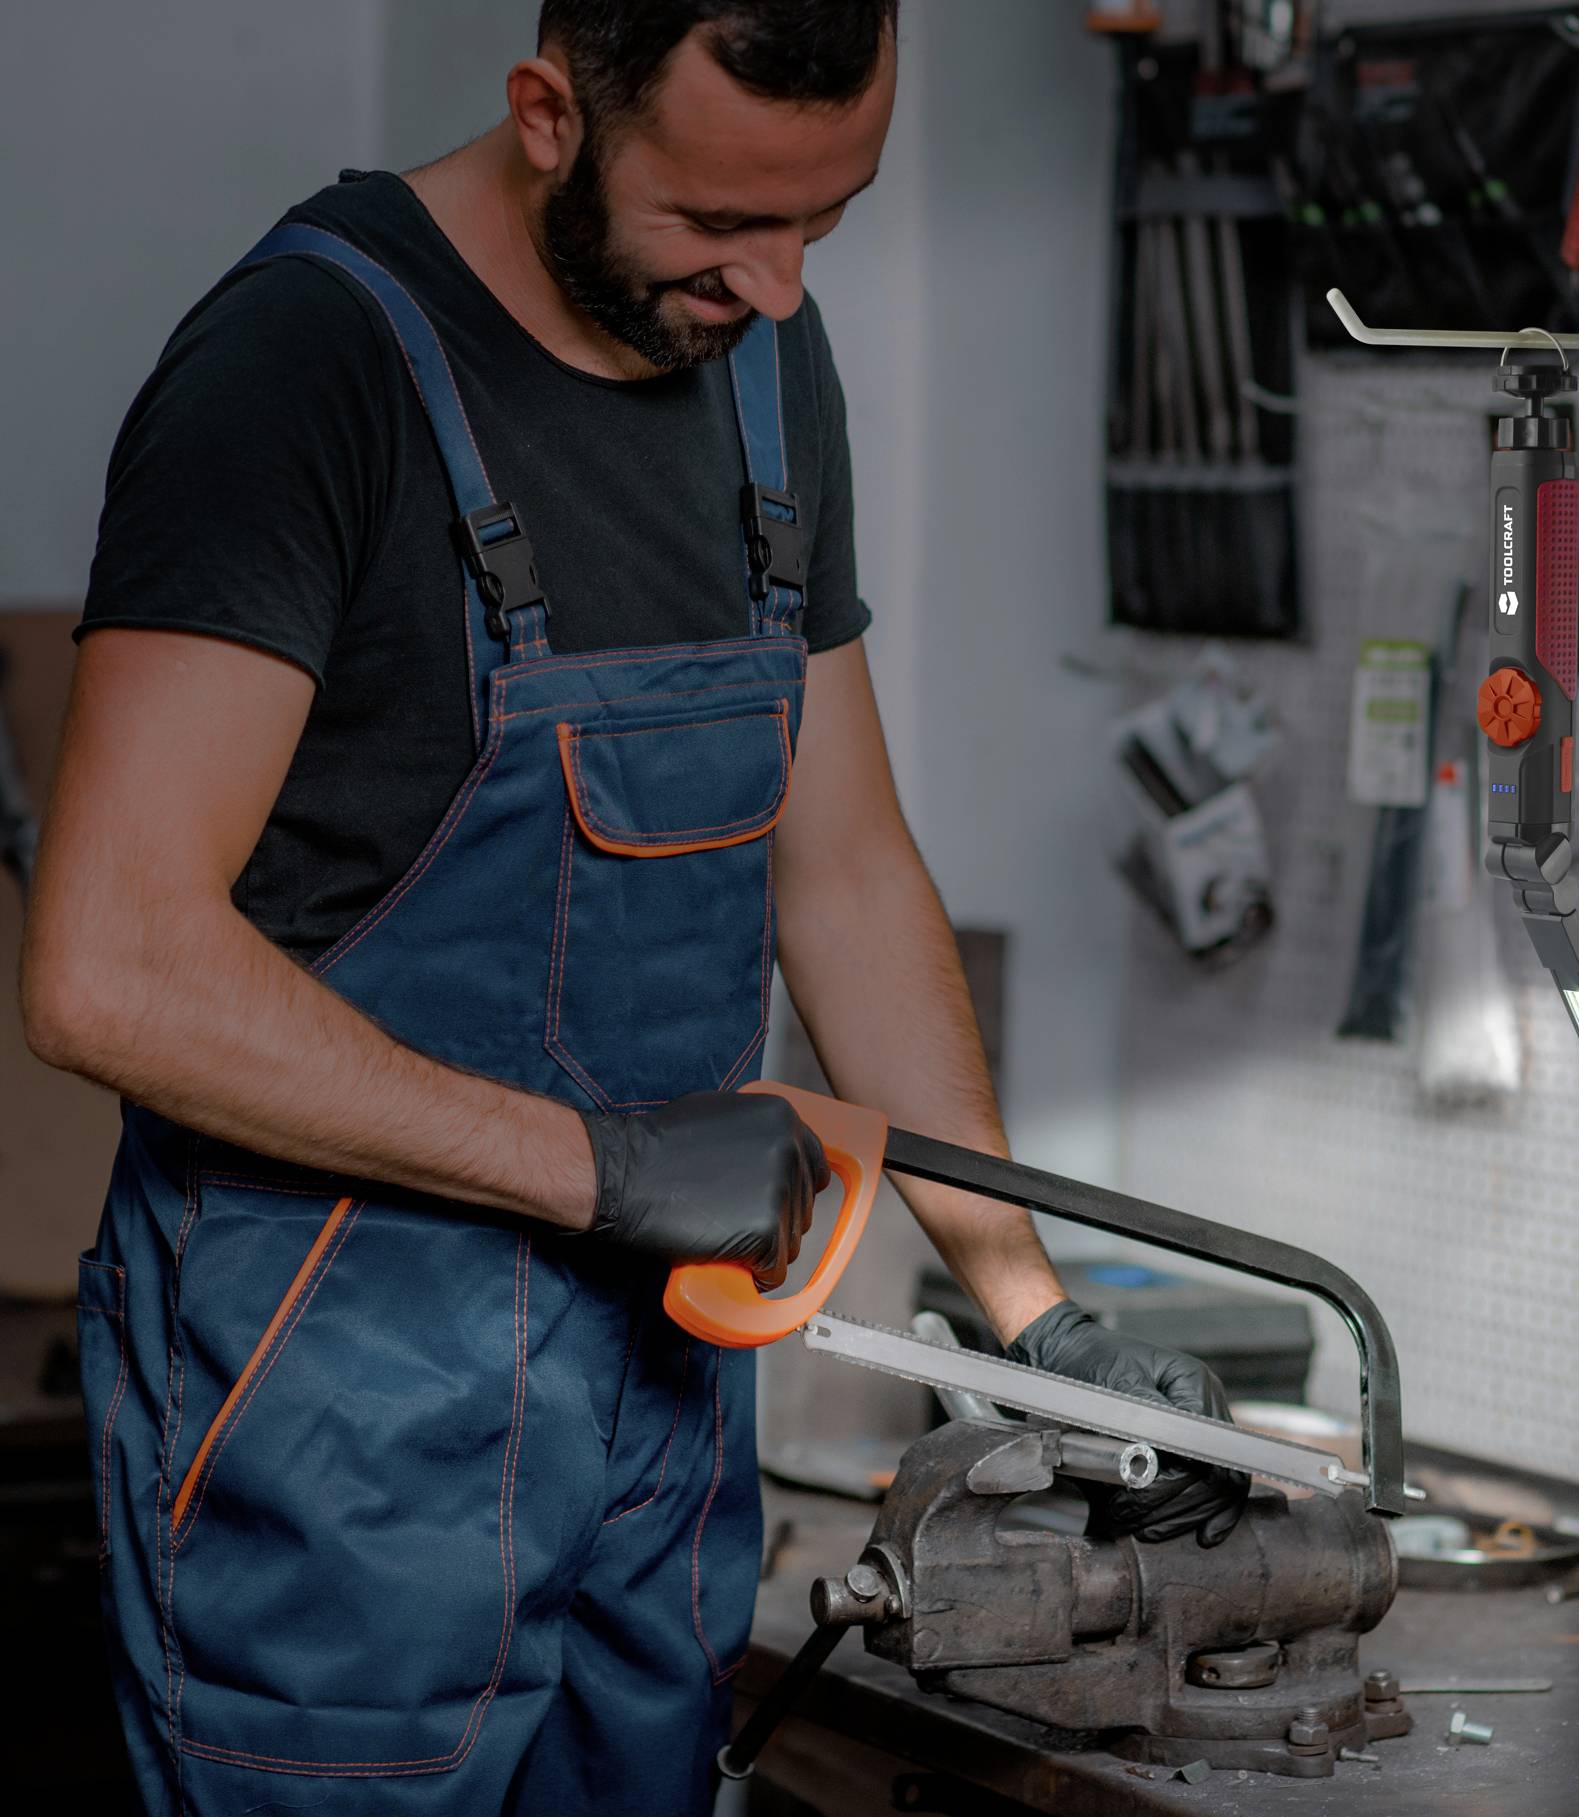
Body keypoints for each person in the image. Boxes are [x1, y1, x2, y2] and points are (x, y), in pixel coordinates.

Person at [20, 5, 1244, 1811]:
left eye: (825, 219)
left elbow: (839, 866)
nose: (772, 284)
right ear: (546, 114)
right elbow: (110, 965)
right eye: (718, 226)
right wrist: (588, 1168)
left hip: (662, 1416)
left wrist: (1027, 1311)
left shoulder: (763, 366)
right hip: (335, 1428)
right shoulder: (301, 370)